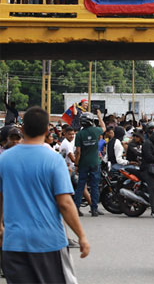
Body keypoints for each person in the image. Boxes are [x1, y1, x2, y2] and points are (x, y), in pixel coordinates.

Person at [0, 106, 89, 283]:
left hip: (14, 243)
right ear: (47, 130)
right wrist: (81, 236)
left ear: (22, 129)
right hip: (48, 242)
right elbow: (65, 203)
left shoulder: (4, 159)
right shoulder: (53, 159)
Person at [73, 111, 106, 217]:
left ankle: (76, 208)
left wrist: (76, 165)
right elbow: (104, 128)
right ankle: (94, 209)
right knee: (94, 186)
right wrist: (100, 117)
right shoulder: (96, 131)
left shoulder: (79, 134)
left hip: (83, 163)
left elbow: (78, 152)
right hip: (95, 162)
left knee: (81, 186)